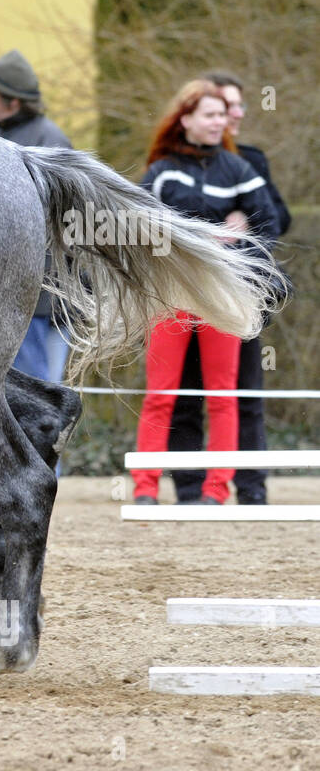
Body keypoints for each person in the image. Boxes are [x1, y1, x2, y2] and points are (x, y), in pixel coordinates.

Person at [130, 79, 279, 506]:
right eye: (211, 115)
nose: (221, 122)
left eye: (221, 115)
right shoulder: (160, 173)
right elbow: (138, 229)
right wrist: (187, 240)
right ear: (187, 119)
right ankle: (144, 487)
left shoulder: (239, 170)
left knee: (222, 395)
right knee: (160, 395)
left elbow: (268, 223)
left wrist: (243, 239)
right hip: (171, 297)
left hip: (223, 297)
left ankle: (217, 489)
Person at [169, 70, 292, 506]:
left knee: (244, 395)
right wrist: (215, 230)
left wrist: (243, 236)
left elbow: (278, 219)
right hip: (183, 299)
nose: (231, 114)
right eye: (222, 105)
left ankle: (251, 486)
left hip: (237, 297)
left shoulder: (250, 161)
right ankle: (188, 486)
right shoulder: (175, 165)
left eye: (235, 105)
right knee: (184, 395)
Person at [0, 48, 75, 497]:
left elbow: (61, 224)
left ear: (12, 100)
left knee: (40, 391)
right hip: (0, 293)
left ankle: (40, 474)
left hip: (44, 294)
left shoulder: (50, 140)